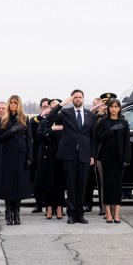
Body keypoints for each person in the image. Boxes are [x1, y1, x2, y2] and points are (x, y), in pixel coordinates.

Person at [45, 89, 96, 224]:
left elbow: (93, 137)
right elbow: (50, 119)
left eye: (80, 97)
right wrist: (61, 104)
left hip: (84, 154)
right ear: (72, 99)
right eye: (75, 97)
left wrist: (92, 155)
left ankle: (80, 213)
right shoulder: (65, 113)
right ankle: (71, 214)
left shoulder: (90, 115)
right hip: (69, 154)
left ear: (83, 99)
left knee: (82, 184)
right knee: (71, 184)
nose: (78, 99)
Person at [0, 95, 33, 225]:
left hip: (21, 156)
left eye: (15, 103)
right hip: (7, 156)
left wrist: (29, 158)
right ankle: (9, 212)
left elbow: (29, 140)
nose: (12, 105)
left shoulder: (24, 119)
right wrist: (12, 131)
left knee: (19, 186)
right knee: (8, 186)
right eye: (11, 103)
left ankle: (17, 213)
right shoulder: (3, 119)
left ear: (19, 104)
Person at [94, 96, 131, 223]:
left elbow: (127, 142)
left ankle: (117, 213)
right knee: (107, 185)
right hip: (106, 158)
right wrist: (110, 130)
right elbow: (99, 137)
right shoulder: (104, 121)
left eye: (116, 107)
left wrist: (126, 159)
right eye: (111, 107)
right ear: (108, 108)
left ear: (119, 108)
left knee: (117, 185)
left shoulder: (124, 123)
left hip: (119, 158)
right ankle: (108, 213)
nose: (114, 109)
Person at [36, 109, 66, 220]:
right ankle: (48, 207)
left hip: (61, 155)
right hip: (47, 156)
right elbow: (39, 136)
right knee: (48, 183)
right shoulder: (44, 123)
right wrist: (51, 129)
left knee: (60, 183)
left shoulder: (64, 122)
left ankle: (59, 208)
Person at [29, 98, 50, 213]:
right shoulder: (36, 119)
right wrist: (41, 116)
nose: (46, 109)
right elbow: (30, 127)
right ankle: (38, 204)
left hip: (51, 153)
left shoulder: (54, 119)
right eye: (44, 107)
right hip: (38, 153)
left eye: (48, 107)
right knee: (37, 181)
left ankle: (49, 205)